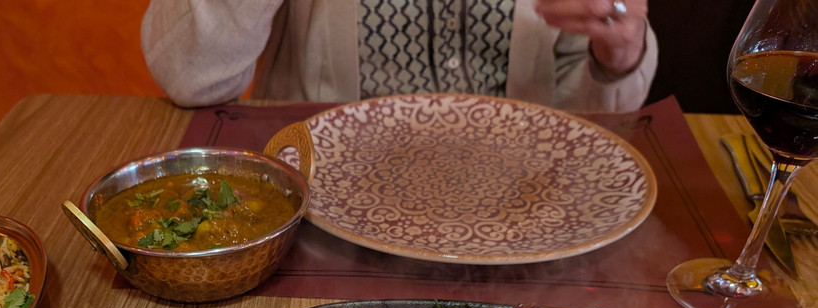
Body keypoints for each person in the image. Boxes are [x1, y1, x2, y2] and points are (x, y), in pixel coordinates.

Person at [141, 0, 657, 113]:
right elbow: (190, 76)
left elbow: (593, 114)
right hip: (319, 204)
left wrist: (619, 48)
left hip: (521, 213)